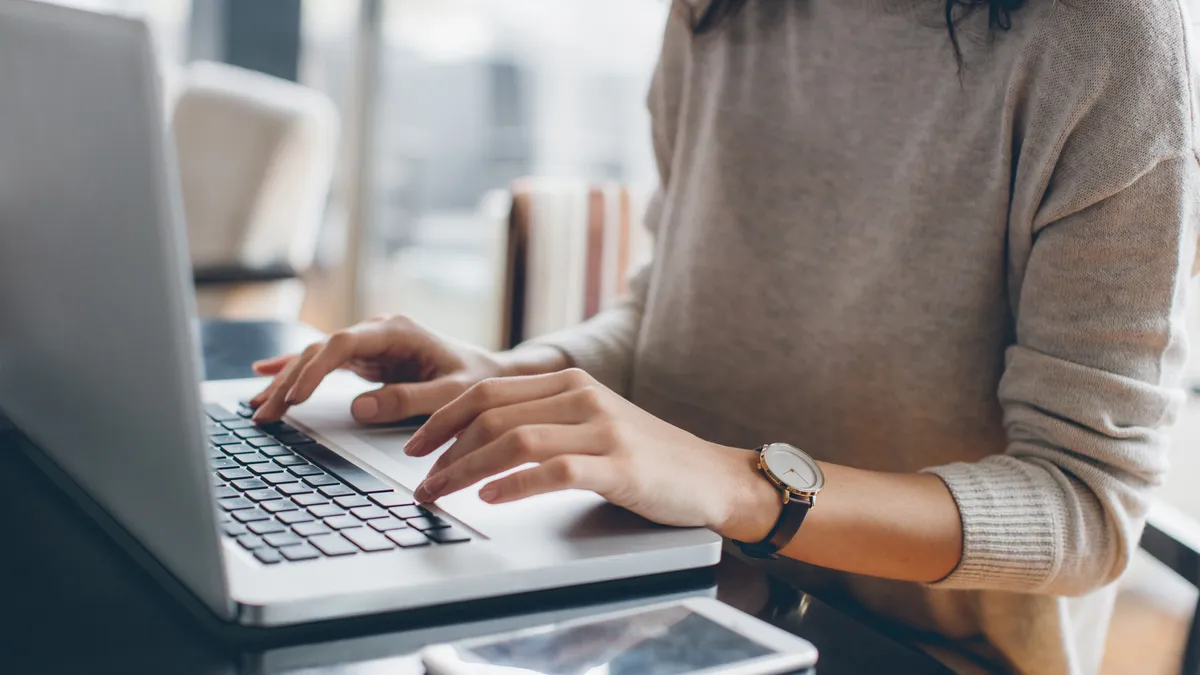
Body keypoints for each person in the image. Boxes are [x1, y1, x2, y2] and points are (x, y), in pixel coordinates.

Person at [250, 1, 1200, 672]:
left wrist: (745, 485)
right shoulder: (718, 9)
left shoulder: (1107, 35)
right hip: (652, 585)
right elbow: (667, 308)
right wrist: (510, 375)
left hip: (910, 650)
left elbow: (1086, 505)